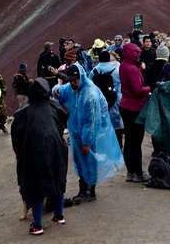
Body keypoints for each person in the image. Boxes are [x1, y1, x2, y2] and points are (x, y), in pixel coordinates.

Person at [53, 64, 124, 203]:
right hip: (77, 133)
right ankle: (83, 189)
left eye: (75, 80)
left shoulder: (90, 95)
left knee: (89, 162)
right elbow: (62, 91)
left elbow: (93, 122)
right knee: (81, 162)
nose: (72, 83)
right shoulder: (74, 88)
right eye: (71, 80)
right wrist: (56, 91)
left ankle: (89, 191)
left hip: (88, 136)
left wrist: (87, 142)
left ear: (81, 77)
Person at [11, 77, 69, 236]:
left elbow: (16, 137)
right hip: (56, 148)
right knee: (58, 180)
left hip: (33, 153)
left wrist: (19, 155)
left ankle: (37, 225)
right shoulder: (55, 106)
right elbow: (64, 118)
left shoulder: (23, 113)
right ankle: (59, 215)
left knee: (35, 187)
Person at [118, 42, 151, 182]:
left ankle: (130, 172)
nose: (138, 56)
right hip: (135, 108)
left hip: (125, 105)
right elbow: (138, 90)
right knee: (136, 142)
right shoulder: (132, 70)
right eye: (136, 53)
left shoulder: (123, 66)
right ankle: (138, 173)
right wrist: (148, 88)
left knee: (129, 141)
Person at [91, 50, 124, 148]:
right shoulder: (116, 70)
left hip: (99, 103)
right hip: (113, 102)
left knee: (101, 125)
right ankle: (118, 147)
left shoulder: (94, 71)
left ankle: (103, 147)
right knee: (116, 126)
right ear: (110, 59)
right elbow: (120, 87)